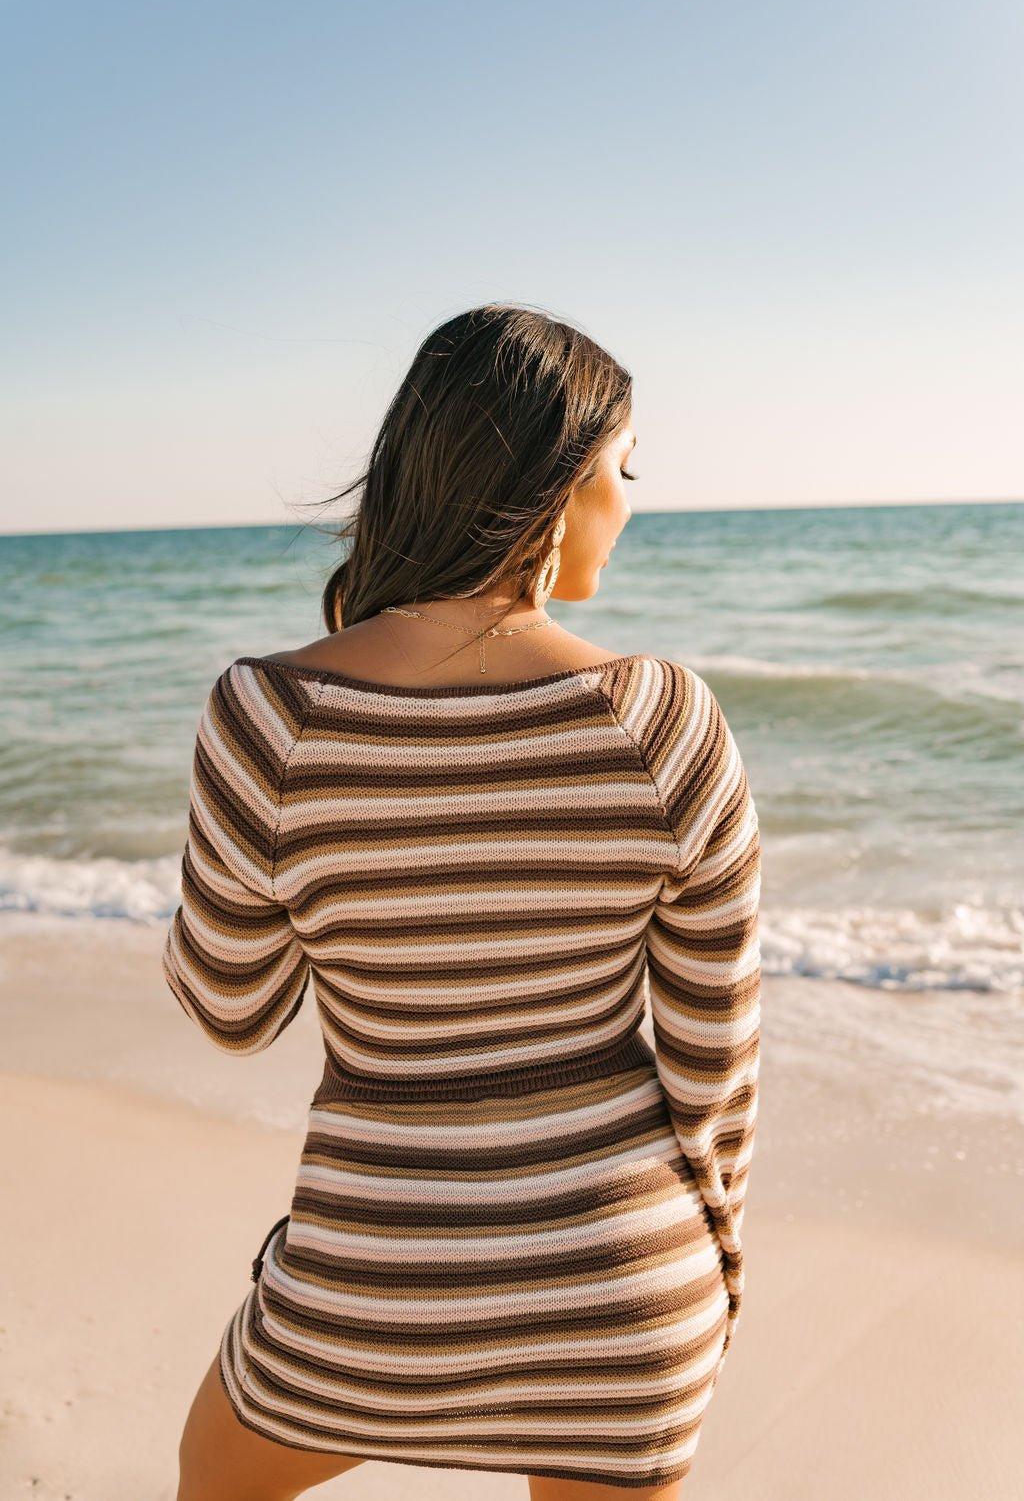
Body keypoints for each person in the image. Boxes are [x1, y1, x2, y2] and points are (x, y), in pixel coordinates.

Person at [166, 303, 762, 1501]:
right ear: (557, 484)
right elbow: (714, 1056)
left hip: (368, 1290)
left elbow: (232, 1012)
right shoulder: (662, 719)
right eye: (624, 468)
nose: (629, 504)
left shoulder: (266, 717)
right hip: (625, 1288)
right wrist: (714, 1264)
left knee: (216, 1482)